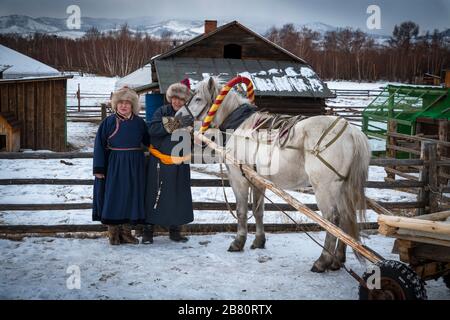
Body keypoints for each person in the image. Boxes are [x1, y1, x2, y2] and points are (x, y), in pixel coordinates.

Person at [92, 86, 150, 245]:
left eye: (127, 103)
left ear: (133, 105)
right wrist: (99, 169)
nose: (123, 106)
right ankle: (113, 233)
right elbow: (99, 145)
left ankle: (126, 233)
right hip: (115, 164)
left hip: (135, 165)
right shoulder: (108, 122)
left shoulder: (139, 123)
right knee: (114, 197)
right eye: (120, 103)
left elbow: (150, 142)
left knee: (131, 196)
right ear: (115, 104)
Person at [142, 82, 194, 244]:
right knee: (153, 194)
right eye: (174, 98)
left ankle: (175, 231)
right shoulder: (161, 111)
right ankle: (148, 232)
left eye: (180, 99)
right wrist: (177, 123)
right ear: (170, 98)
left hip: (180, 162)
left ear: (185, 100)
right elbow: (152, 130)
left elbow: (193, 138)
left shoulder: (191, 116)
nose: (177, 102)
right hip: (160, 160)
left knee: (178, 195)